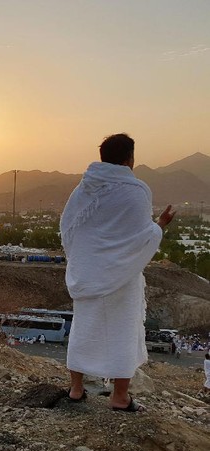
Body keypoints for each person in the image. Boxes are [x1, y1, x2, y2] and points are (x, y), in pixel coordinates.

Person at [60, 133, 175, 412]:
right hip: (122, 276)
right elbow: (140, 238)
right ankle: (119, 397)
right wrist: (160, 224)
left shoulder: (83, 189)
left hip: (87, 273)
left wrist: (88, 260)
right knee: (123, 330)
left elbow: (69, 228)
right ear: (130, 158)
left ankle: (76, 389)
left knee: (84, 329)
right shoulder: (136, 190)